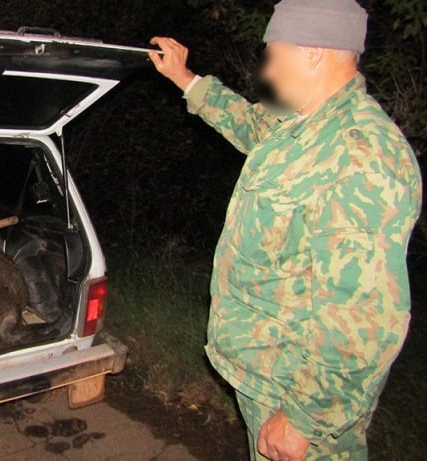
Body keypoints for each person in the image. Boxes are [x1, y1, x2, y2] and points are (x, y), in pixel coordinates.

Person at [149, 1, 422, 460]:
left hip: (302, 401)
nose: (267, 73)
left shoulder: (360, 155)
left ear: (313, 52)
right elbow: (248, 121)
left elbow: (364, 315)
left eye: (274, 55)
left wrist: (304, 418)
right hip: (267, 375)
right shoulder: (304, 127)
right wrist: (184, 77)